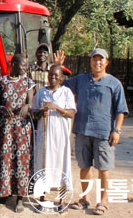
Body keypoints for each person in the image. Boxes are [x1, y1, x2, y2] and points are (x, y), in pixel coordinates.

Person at [57, 49, 129, 216]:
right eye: (94, 59)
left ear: (106, 62)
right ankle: (85, 198)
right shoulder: (81, 80)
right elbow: (62, 83)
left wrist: (117, 130)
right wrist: (59, 66)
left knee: (104, 168)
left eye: (100, 60)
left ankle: (103, 202)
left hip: (104, 132)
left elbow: (121, 110)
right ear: (90, 61)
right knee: (84, 166)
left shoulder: (114, 83)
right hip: (82, 130)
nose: (97, 62)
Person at [0, 54, 35, 213]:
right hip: (4, 128)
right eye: (23, 65)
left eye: (26, 65)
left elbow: (30, 103)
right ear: (14, 64)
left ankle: (19, 199)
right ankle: (3, 196)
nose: (25, 68)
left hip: (22, 129)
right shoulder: (1, 82)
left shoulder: (28, 82)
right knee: (4, 160)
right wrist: (2, 108)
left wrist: (27, 107)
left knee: (21, 161)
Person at [33, 64, 76, 213]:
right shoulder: (41, 92)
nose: (52, 78)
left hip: (60, 138)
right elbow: (34, 114)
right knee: (43, 165)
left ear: (61, 78)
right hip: (44, 135)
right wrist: (41, 112)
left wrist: (56, 107)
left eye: (56, 76)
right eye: (50, 75)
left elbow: (71, 113)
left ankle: (61, 200)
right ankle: (42, 199)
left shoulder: (66, 92)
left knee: (61, 166)